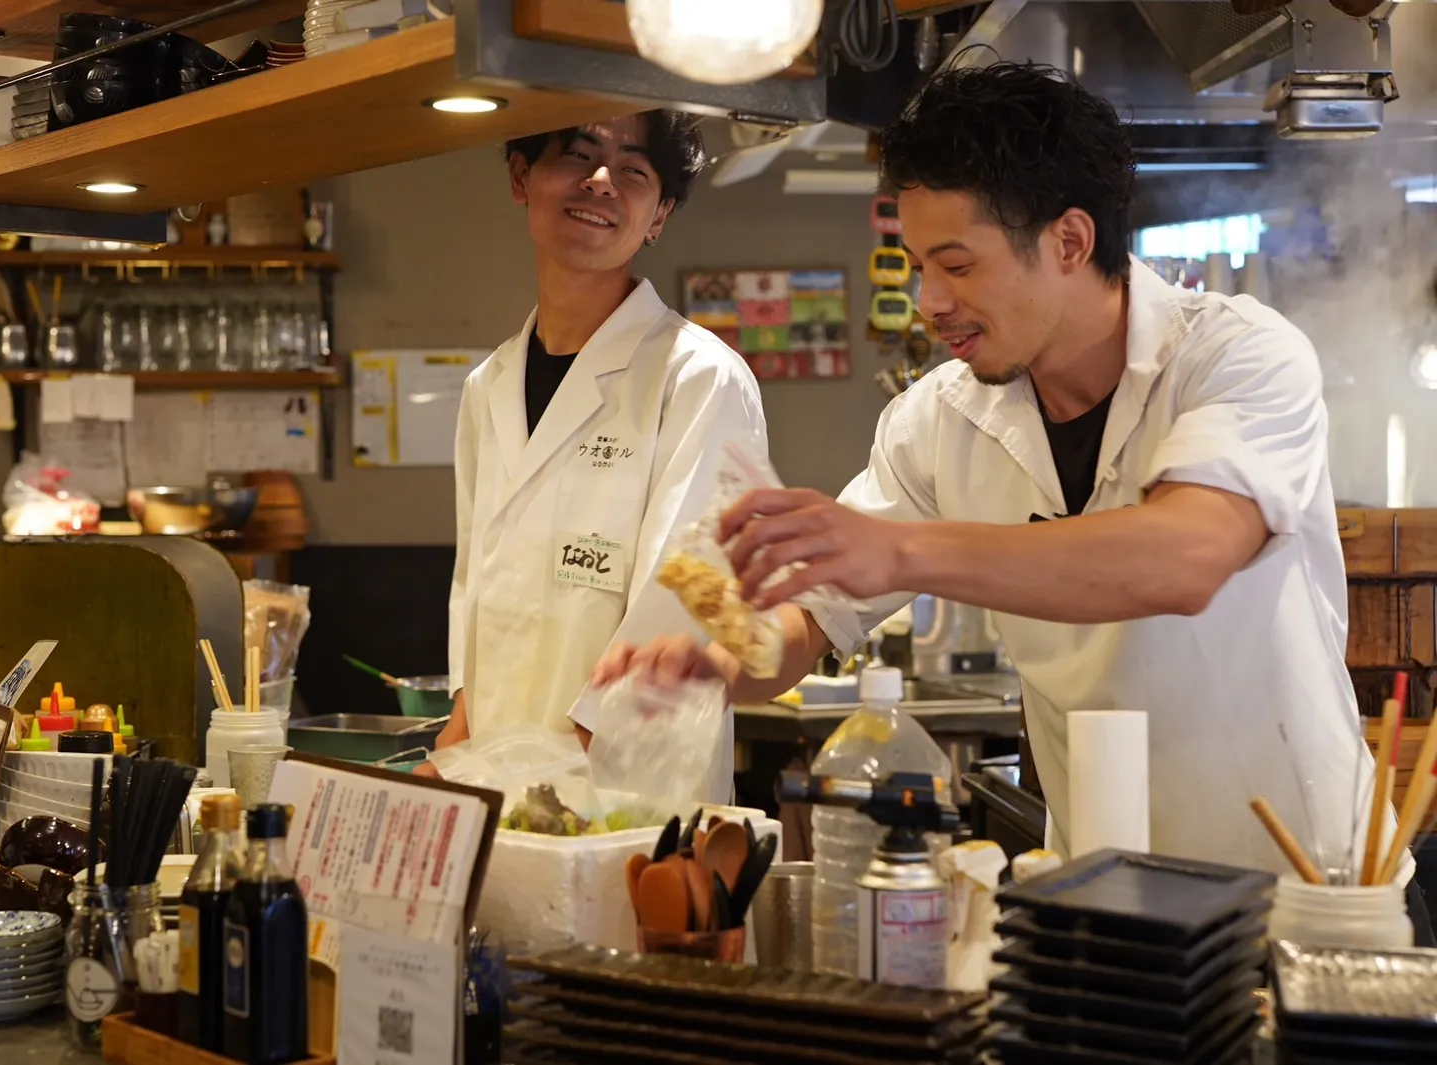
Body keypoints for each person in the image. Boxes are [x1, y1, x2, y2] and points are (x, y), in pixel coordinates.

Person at [595, 64, 1418, 909]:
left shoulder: (1235, 356)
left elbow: (1188, 554)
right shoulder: (937, 420)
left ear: (1069, 240)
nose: (930, 301)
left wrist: (905, 550)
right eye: (915, 265)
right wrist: (721, 659)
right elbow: (809, 623)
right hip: (1102, 894)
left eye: (957, 265)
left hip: (1311, 891)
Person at [431, 111, 768, 803]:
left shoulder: (699, 377)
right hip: (499, 777)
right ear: (522, 177)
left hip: (628, 788)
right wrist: (460, 738)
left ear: (660, 214)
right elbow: (474, 581)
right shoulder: (487, 385)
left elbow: (695, 593)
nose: (601, 181)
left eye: (635, 170)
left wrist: (557, 776)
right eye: (576, 152)